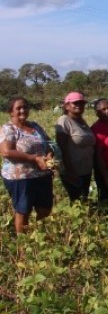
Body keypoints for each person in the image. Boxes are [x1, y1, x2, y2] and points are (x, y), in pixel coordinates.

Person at [0, 97, 55, 233]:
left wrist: (49, 156)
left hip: (42, 175)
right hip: (21, 178)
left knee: (45, 208)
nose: (23, 110)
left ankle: (39, 237)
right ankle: (23, 246)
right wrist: (34, 158)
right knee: (23, 210)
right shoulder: (9, 129)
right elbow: (6, 152)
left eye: (25, 107)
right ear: (11, 112)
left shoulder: (35, 126)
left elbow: (48, 144)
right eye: (18, 108)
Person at [55, 91, 96, 201]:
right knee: (76, 200)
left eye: (82, 103)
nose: (79, 106)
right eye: (75, 103)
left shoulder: (81, 120)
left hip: (85, 170)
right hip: (72, 170)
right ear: (67, 106)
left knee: (84, 198)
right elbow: (61, 148)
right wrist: (69, 170)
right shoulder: (64, 121)